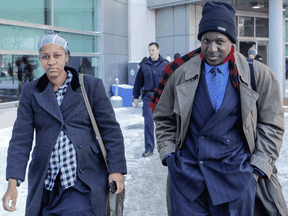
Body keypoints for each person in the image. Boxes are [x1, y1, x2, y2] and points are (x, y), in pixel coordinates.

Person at [150, 1, 288, 216]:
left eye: (219, 41)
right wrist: (169, 156)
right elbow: (163, 118)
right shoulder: (180, 73)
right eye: (206, 40)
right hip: (188, 179)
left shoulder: (258, 75)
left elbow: (272, 125)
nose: (212, 48)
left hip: (236, 179)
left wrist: (256, 169)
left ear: (232, 41)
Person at [2, 33, 127, 215]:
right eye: (46, 57)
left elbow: (110, 130)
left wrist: (116, 169)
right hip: (47, 182)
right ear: (40, 60)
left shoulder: (90, 86)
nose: (51, 61)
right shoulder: (31, 91)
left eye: (57, 55)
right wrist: (12, 183)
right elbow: (21, 138)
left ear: (67, 57)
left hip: (83, 178)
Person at [133, 42, 169, 157]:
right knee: (148, 122)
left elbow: (171, 82)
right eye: (149, 50)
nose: (151, 52)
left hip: (162, 98)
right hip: (148, 97)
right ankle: (149, 148)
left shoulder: (165, 64)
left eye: (153, 50)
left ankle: (166, 147)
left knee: (164, 123)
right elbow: (138, 82)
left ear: (158, 50)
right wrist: (135, 96)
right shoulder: (144, 65)